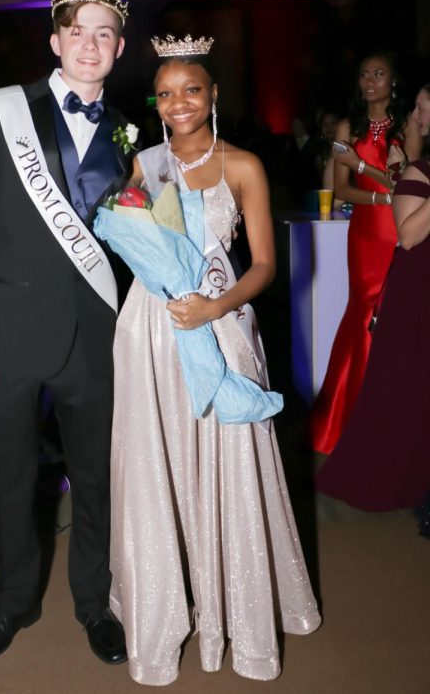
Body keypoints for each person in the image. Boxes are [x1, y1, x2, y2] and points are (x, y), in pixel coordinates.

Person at [108, 35, 321, 685]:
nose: (178, 103)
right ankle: (165, 607)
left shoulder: (245, 166)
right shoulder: (143, 163)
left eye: (191, 90)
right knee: (160, 462)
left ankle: (239, 611)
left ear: (214, 95)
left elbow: (264, 265)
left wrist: (213, 306)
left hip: (221, 321)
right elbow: (133, 239)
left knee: (229, 457)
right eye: (166, 93)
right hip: (151, 326)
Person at [0, 0, 133, 666]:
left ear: (118, 47)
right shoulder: (2, 111)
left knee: (96, 478)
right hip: (6, 333)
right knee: (15, 481)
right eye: (77, 32)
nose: (90, 45)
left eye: (104, 34)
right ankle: (14, 604)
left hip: (94, 336)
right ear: (54, 42)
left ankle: (96, 602)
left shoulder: (127, 128)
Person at [316, 84, 430, 514]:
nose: (417, 117)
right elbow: (346, 188)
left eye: (424, 109)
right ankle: (350, 418)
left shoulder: (405, 137)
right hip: (376, 231)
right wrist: (358, 166)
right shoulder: (406, 161)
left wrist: (363, 164)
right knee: (367, 317)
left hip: (400, 238)